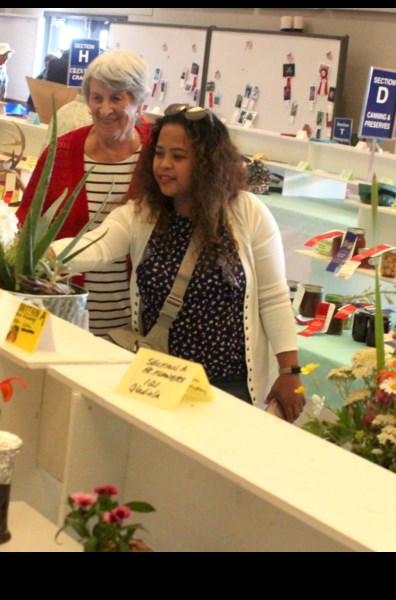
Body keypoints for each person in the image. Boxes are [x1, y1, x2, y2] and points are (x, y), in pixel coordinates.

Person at [53, 105, 306, 421]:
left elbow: (273, 297)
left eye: (178, 156)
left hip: (229, 387)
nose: (164, 165)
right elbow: (98, 245)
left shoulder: (248, 212)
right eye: (159, 154)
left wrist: (289, 369)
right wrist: (47, 256)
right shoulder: (142, 214)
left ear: (206, 163)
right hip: (160, 381)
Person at [18, 50, 152, 339]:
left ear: (140, 101)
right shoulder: (63, 151)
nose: (105, 109)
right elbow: (26, 225)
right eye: (97, 97)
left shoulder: (157, 155)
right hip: (65, 316)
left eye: (117, 98)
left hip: (136, 327)